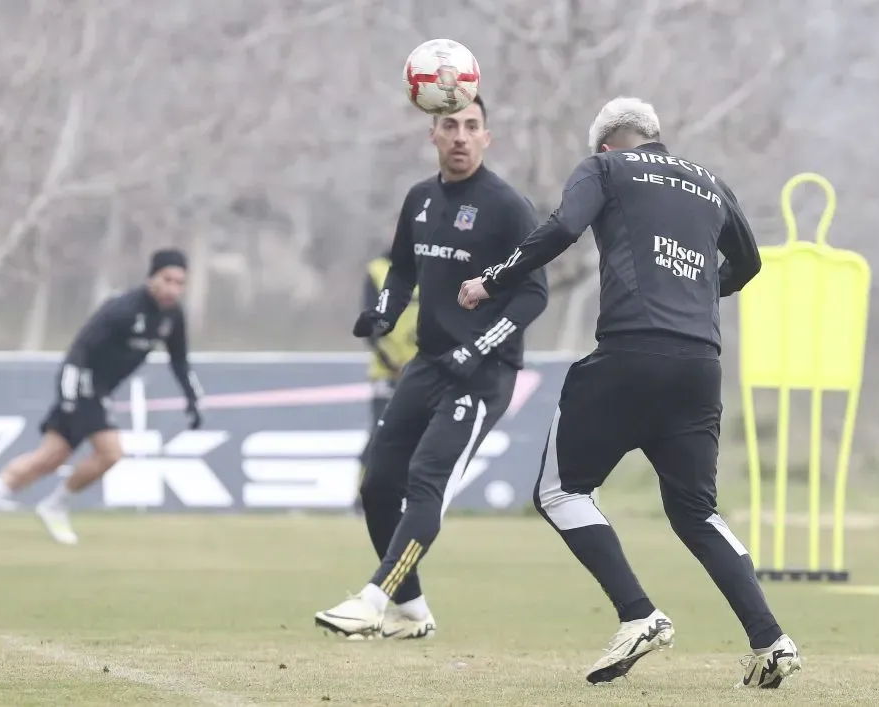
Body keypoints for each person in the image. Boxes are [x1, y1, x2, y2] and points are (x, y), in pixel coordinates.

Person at [458, 97, 801, 689]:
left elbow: (563, 227)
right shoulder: (709, 181)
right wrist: (693, 298)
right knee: (697, 512)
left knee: (561, 491)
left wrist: (492, 280)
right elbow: (747, 264)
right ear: (654, 137)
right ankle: (772, 640)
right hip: (699, 365)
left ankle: (638, 613)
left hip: (628, 355)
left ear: (605, 144)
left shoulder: (605, 170)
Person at [314, 95, 549, 640]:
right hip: (427, 364)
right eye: (451, 125)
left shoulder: (507, 206)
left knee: (426, 482)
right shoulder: (419, 200)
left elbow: (533, 295)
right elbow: (401, 270)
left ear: (487, 138)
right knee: (377, 487)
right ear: (433, 135)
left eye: (472, 126)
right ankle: (412, 611)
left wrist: (480, 346)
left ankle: (375, 599)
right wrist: (383, 313)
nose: (461, 136)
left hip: (483, 374)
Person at [0, 248, 204, 545]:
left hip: (100, 392)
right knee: (111, 452)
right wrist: (68, 395)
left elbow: (179, 361)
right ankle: (54, 505)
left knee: (49, 457)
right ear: (152, 277)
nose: (173, 289)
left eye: (180, 283)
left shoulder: (172, 317)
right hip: (83, 386)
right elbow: (79, 350)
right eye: (168, 280)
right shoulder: (122, 308)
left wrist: (192, 398)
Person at [353, 248, 420, 515]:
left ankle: (412, 499)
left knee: (422, 437)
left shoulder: (435, 264)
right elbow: (368, 322)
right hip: (387, 371)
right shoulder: (377, 269)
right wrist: (389, 360)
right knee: (381, 434)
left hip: (425, 369)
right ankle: (362, 499)